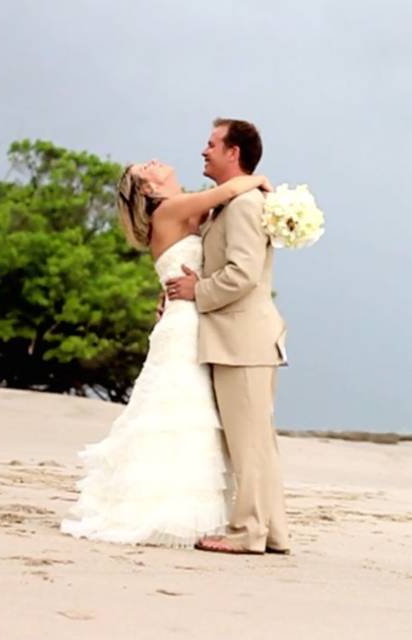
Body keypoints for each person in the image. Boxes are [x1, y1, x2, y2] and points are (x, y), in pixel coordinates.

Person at [60, 156, 272, 548]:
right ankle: (164, 511)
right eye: (147, 168)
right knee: (179, 412)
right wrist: (260, 180)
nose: (155, 162)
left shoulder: (189, 208)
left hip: (193, 317)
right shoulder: (172, 208)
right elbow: (228, 191)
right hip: (186, 325)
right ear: (148, 190)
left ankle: (182, 509)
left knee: (183, 413)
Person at [166, 118, 291, 555]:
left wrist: (195, 290)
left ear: (233, 152)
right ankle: (272, 531)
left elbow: (242, 273)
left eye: (212, 143)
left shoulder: (242, 205)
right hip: (245, 338)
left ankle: (248, 532)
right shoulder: (235, 201)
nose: (204, 150)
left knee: (248, 443)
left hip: (244, 341)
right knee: (257, 440)